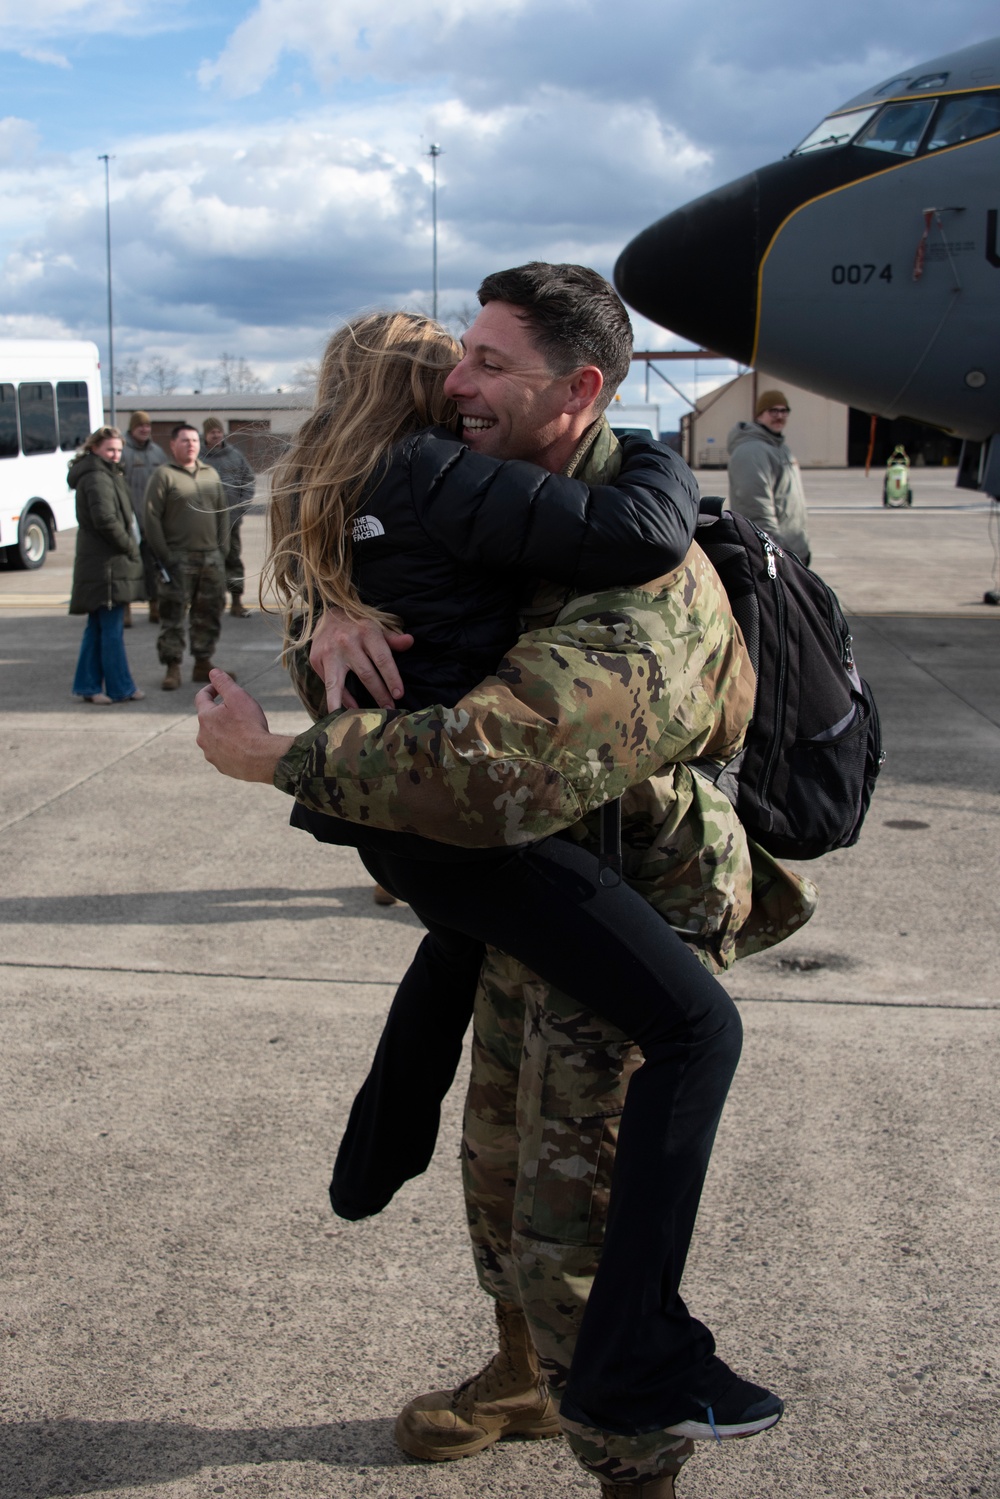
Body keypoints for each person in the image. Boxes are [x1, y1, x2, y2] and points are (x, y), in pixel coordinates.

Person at [197, 267, 811, 1498]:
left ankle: (632, 1460)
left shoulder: (641, 579)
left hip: (620, 915)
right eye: (456, 358)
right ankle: (525, 1375)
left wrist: (285, 758)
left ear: (575, 394)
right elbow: (388, 587)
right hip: (521, 912)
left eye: (483, 364)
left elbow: (495, 768)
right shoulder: (503, 496)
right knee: (501, 1177)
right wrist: (331, 612)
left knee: (572, 1225)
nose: (454, 384)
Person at [142, 422, 230, 691]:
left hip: (210, 557)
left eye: (194, 440)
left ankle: (203, 662)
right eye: (184, 440)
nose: (191, 444)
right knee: (173, 615)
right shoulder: (164, 475)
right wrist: (165, 555)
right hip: (178, 558)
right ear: (173, 445)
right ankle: (173, 667)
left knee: (209, 612)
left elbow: (223, 514)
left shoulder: (210, 474)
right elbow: (150, 517)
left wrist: (222, 550)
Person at [68, 426, 145, 704]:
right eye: (109, 449)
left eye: (118, 450)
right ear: (94, 448)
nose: (115, 455)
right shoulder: (98, 477)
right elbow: (105, 520)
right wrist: (129, 546)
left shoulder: (100, 473)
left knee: (98, 627)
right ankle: (119, 687)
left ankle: (88, 685)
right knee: (110, 630)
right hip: (106, 566)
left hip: (99, 564)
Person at [726, 388, 811, 564]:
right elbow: (756, 506)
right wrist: (776, 550)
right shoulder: (752, 451)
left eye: (783, 411)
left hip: (792, 549)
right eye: (773, 411)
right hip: (777, 554)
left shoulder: (780, 449)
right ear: (759, 415)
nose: (779, 416)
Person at [201, 417, 256, 617]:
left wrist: (240, 508)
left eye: (218, 432)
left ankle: (236, 602)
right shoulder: (199, 457)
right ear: (205, 435)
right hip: (205, 523)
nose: (216, 435)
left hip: (231, 520)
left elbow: (248, 481)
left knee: (233, 559)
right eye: (211, 432)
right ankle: (211, 604)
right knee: (207, 563)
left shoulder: (235, 456)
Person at [120, 410, 168, 622]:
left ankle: (155, 607)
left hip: (154, 521)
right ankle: (126, 610)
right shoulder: (122, 452)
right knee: (129, 569)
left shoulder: (157, 452)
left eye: (147, 426)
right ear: (132, 428)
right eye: (140, 426)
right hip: (129, 521)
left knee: (154, 567)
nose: (145, 429)